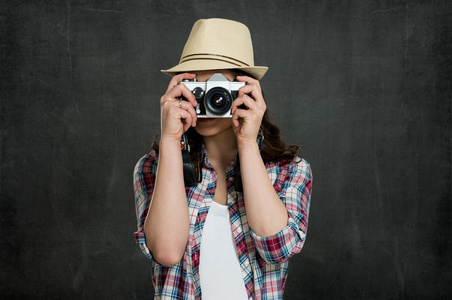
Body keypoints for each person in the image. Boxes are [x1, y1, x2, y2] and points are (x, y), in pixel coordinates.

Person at [134, 18, 312, 299]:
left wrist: (247, 143)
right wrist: (170, 140)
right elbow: (167, 252)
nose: (206, 102)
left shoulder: (290, 171)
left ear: (247, 90)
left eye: (218, 90)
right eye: (196, 89)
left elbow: (278, 247)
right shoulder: (153, 167)